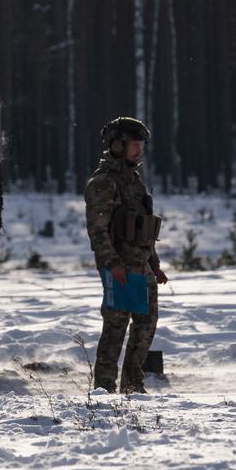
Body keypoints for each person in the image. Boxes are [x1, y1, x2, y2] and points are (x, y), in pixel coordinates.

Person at [84, 117, 167, 393]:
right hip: (119, 265)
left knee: (146, 325)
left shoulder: (135, 182)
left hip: (141, 265)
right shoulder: (103, 183)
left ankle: (132, 384)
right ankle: (104, 388)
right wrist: (112, 263)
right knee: (116, 327)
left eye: (141, 144)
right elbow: (98, 230)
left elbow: (144, 228)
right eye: (133, 144)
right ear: (117, 145)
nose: (139, 149)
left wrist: (154, 264)